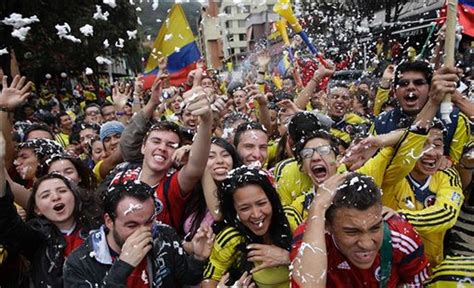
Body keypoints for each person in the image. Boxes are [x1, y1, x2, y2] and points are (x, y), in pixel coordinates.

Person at [63, 174, 214, 287]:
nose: (143, 232)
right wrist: (123, 267)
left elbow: (186, 280)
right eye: (131, 225)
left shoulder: (164, 235)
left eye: (149, 222)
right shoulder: (80, 262)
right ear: (109, 221)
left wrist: (198, 259)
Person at [291, 173, 430, 287]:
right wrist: (318, 206)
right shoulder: (309, 236)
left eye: (375, 228)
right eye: (352, 232)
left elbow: (418, 283)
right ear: (327, 225)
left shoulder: (401, 237)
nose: (367, 244)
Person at [0, 134, 92, 287]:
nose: (55, 197)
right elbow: (7, 218)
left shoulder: (100, 228)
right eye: (45, 195)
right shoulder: (36, 238)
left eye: (62, 190)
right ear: (37, 209)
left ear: (74, 196)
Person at [202, 166, 302, 287]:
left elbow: (318, 262)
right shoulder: (230, 238)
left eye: (261, 203)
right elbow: (208, 281)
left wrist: (288, 257)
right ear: (234, 211)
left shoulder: (291, 218)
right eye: (245, 208)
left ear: (272, 201)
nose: (256, 214)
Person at [371, 60, 470, 163]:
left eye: (419, 83)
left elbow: (461, 171)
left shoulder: (455, 120)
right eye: (403, 83)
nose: (410, 87)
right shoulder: (381, 123)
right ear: (395, 91)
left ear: (431, 89)